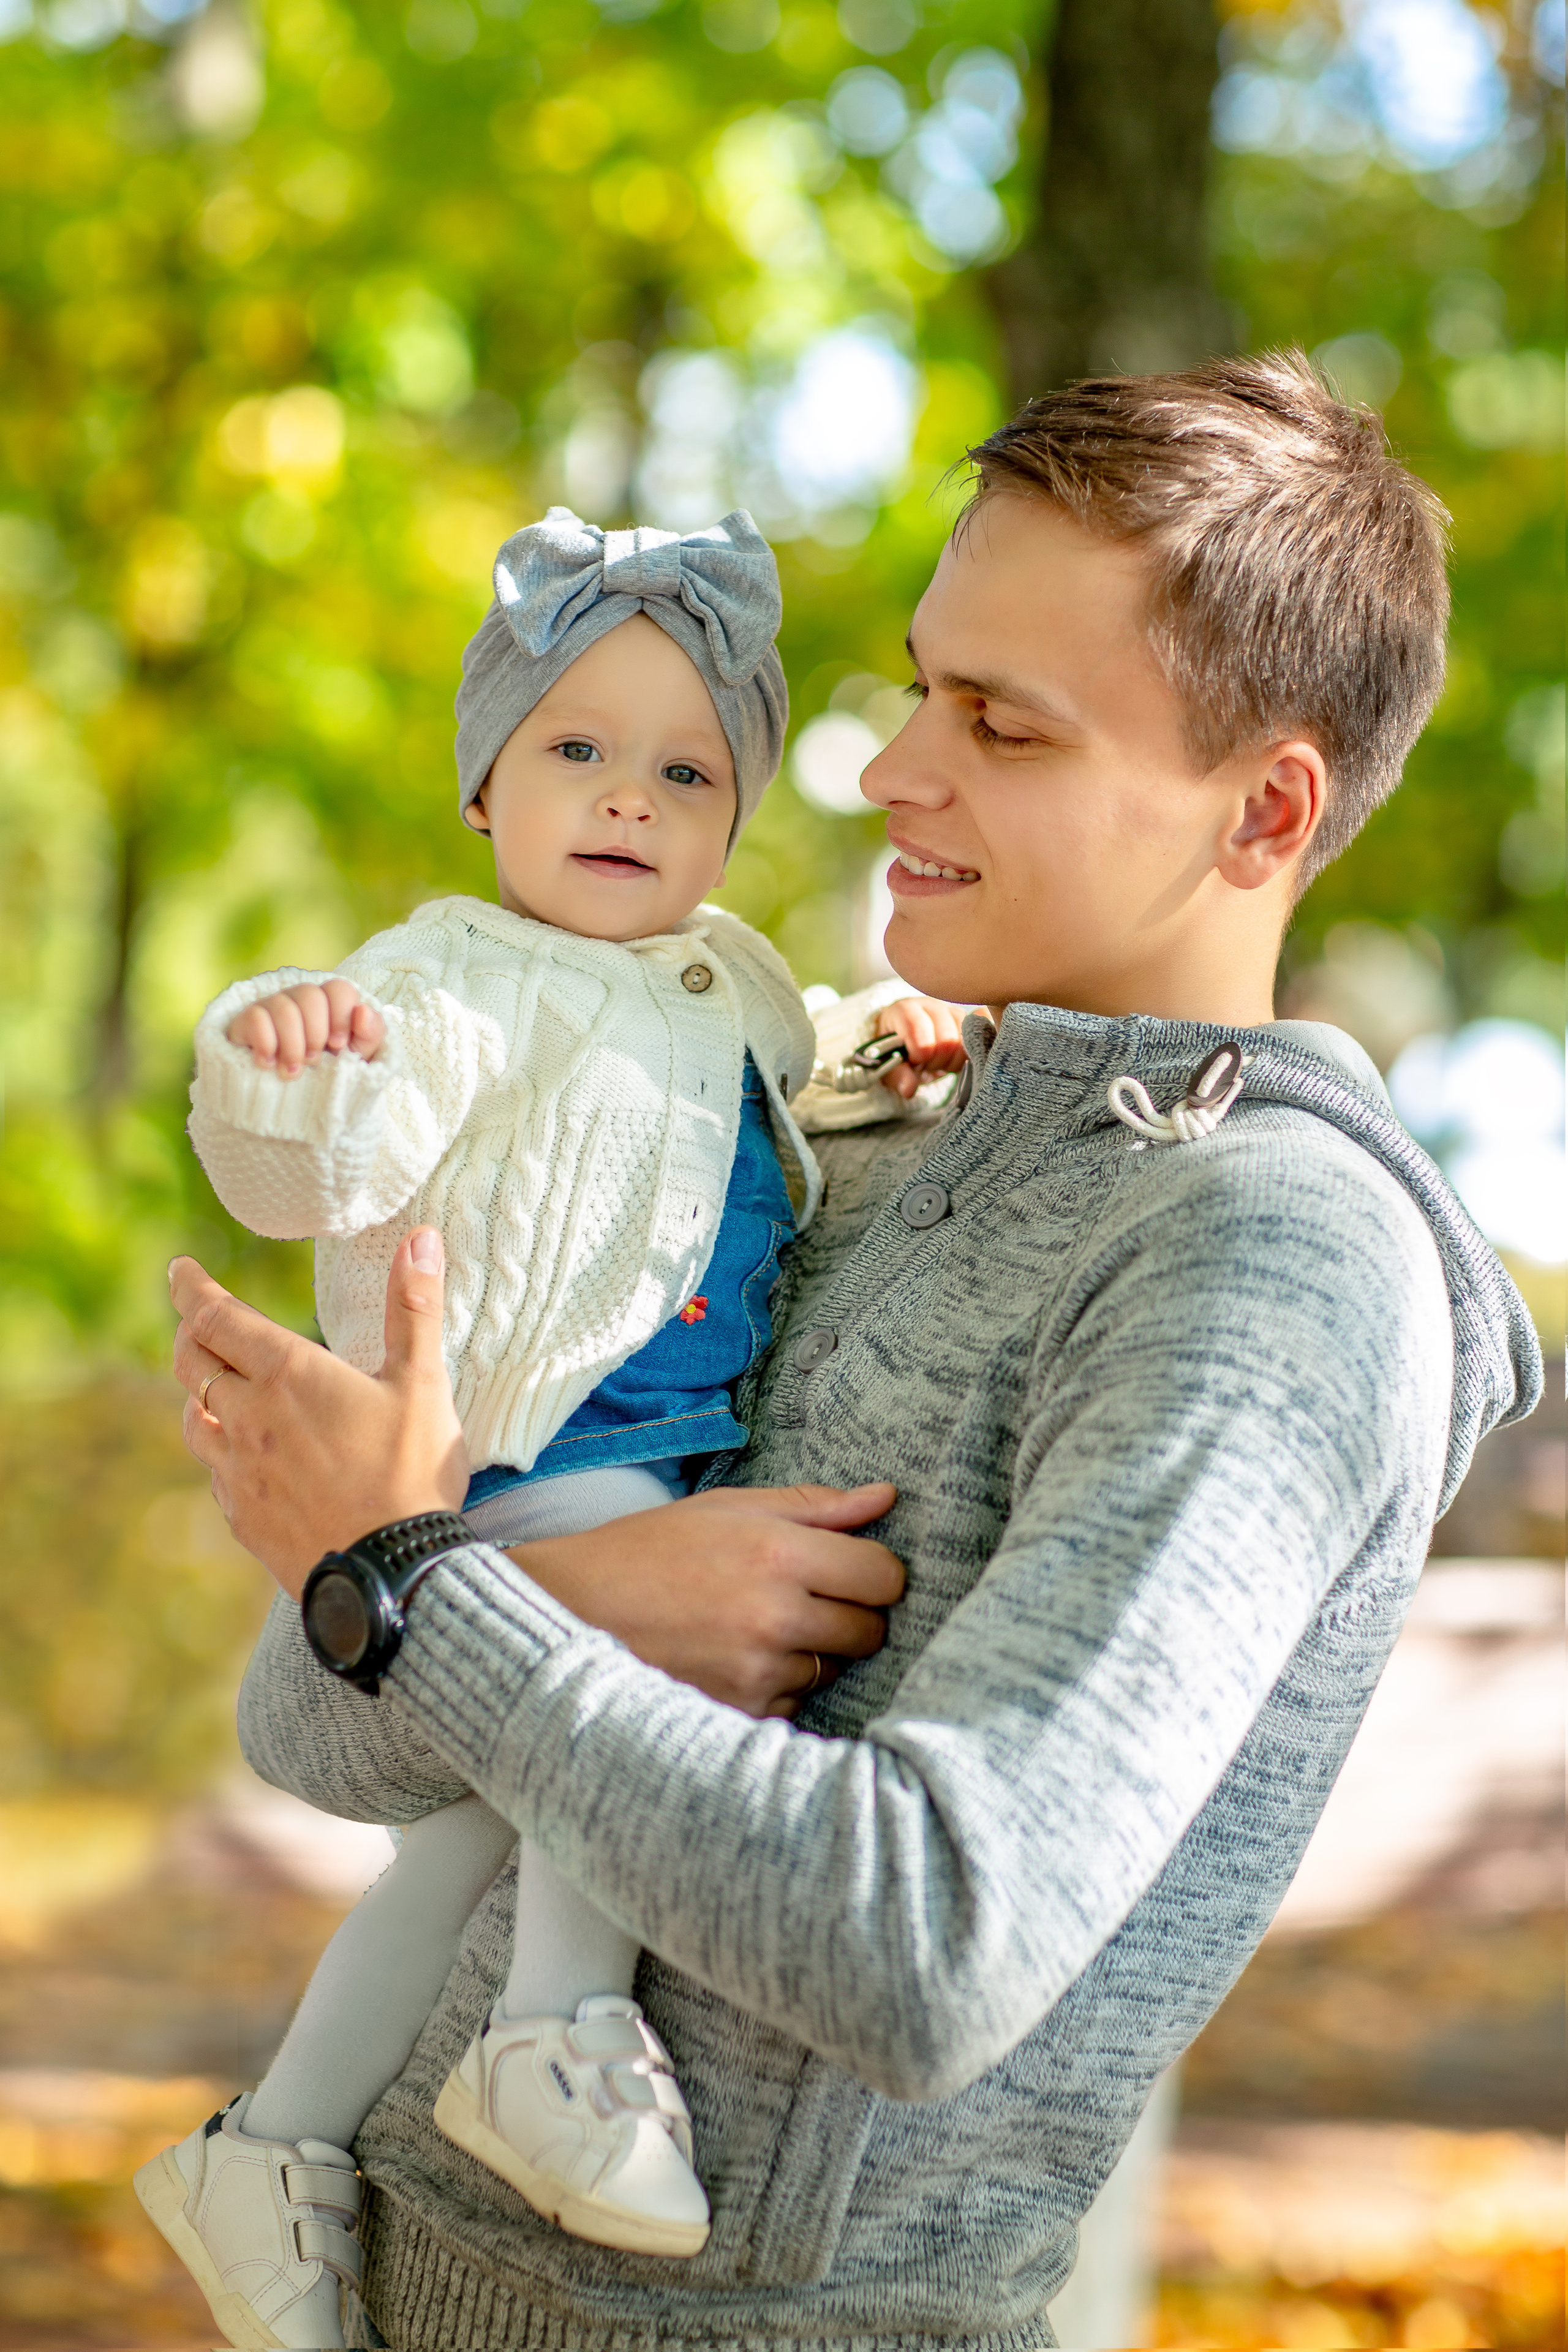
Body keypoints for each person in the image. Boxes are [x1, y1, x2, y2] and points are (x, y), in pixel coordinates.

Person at [167, 355, 1540, 2351]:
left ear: (1265, 809)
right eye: (920, 685)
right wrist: (529, 1593)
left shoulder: (1278, 1263)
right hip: (380, 2285)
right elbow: (317, 1719)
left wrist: (430, 1596)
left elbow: (928, 1946)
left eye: (1002, 722)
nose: (893, 769)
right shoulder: (846, 1142)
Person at [135, 503, 960, 2348]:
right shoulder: (446, 978)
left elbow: (783, 1067)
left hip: (656, 1444)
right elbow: (321, 1152)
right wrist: (292, 1054)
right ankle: (555, 2033)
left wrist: (893, 1053)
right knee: (627, 1705)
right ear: (485, 785)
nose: (628, 799)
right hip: (518, 1444)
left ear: (735, 821)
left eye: (686, 770)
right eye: (575, 749)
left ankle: (272, 2144)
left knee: (467, 1840)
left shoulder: (729, 973)